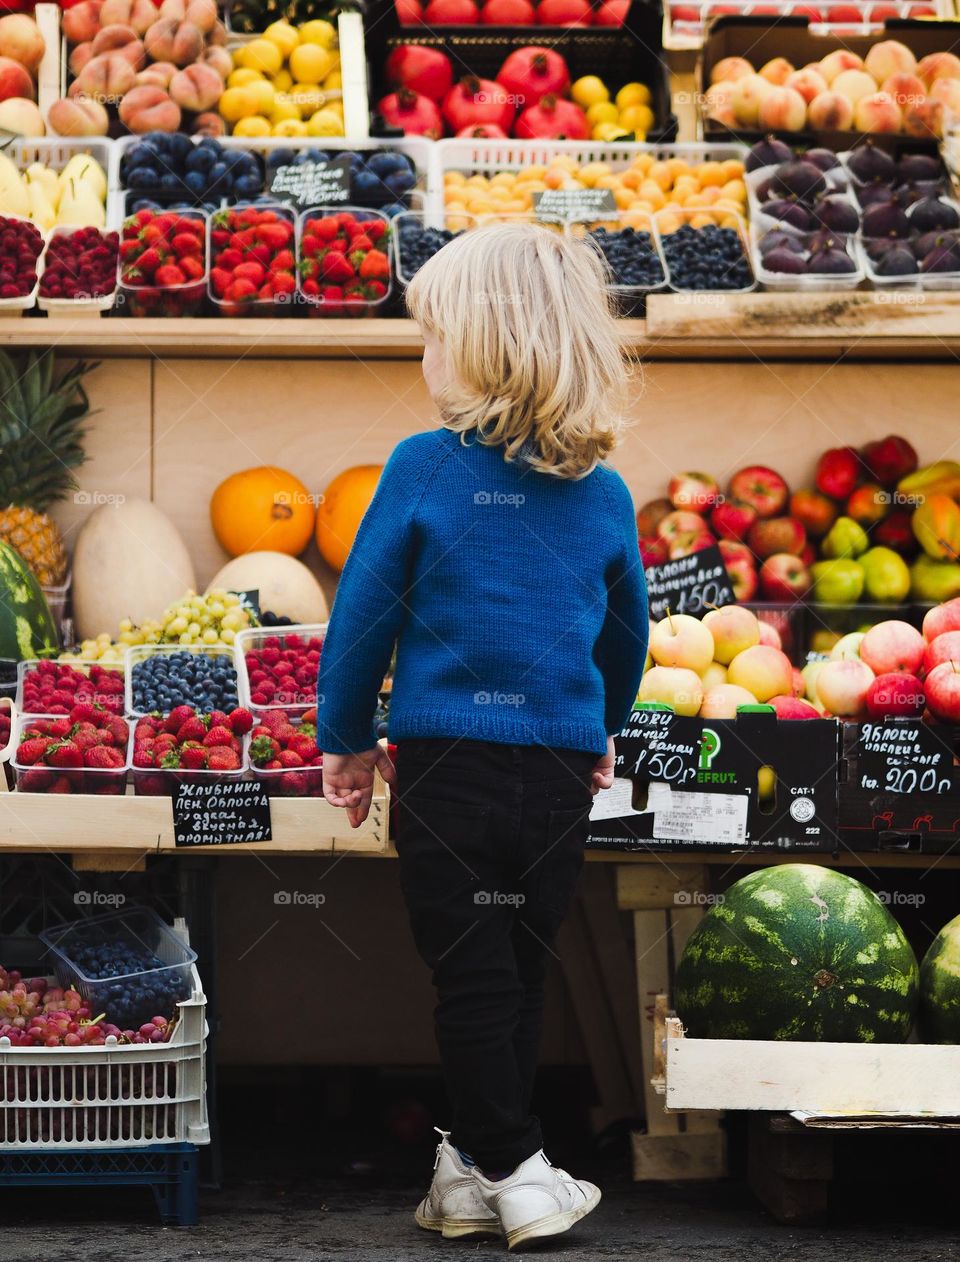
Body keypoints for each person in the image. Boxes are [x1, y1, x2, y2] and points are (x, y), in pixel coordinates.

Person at [316, 222, 648, 1249]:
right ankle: (467, 1170)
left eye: (432, 338)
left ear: (489, 348)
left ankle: (513, 1162)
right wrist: (605, 726)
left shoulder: (421, 467)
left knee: (469, 969)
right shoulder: (604, 493)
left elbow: (364, 614)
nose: (422, 360)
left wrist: (345, 737)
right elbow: (625, 629)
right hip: (555, 771)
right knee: (517, 958)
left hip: (449, 765)